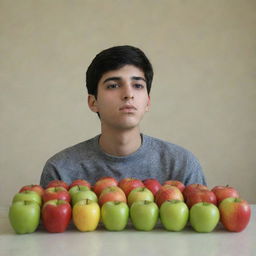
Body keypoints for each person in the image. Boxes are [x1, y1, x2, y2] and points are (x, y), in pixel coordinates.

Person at [40, 45, 206, 188]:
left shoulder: (181, 165)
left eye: (138, 85)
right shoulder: (61, 170)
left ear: (148, 102)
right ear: (93, 102)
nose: (128, 94)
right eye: (113, 85)